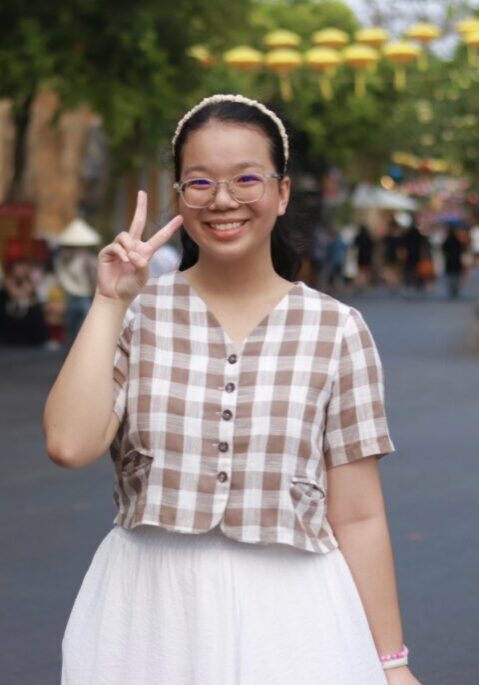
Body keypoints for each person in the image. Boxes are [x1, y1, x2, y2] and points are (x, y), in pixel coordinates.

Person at [44, 94, 421, 685]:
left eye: (247, 178)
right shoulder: (137, 314)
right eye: (199, 182)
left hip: (297, 620)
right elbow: (69, 443)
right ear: (178, 195)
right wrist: (109, 301)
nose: (223, 200)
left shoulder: (337, 330)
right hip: (149, 616)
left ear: (282, 192)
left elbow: (359, 513)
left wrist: (392, 664)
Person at [0, 259, 49, 346]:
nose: (22, 270)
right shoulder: (8, 280)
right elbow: (15, 295)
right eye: (19, 268)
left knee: (36, 310)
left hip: (25, 308)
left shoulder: (28, 280)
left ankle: (41, 340)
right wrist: (26, 289)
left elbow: (37, 296)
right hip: (9, 310)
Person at [441, 225, 465, 299]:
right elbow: (461, 249)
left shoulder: (447, 240)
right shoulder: (457, 240)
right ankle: (455, 290)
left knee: (450, 277)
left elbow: (443, 249)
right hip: (456, 261)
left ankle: (451, 290)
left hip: (449, 261)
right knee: (456, 276)